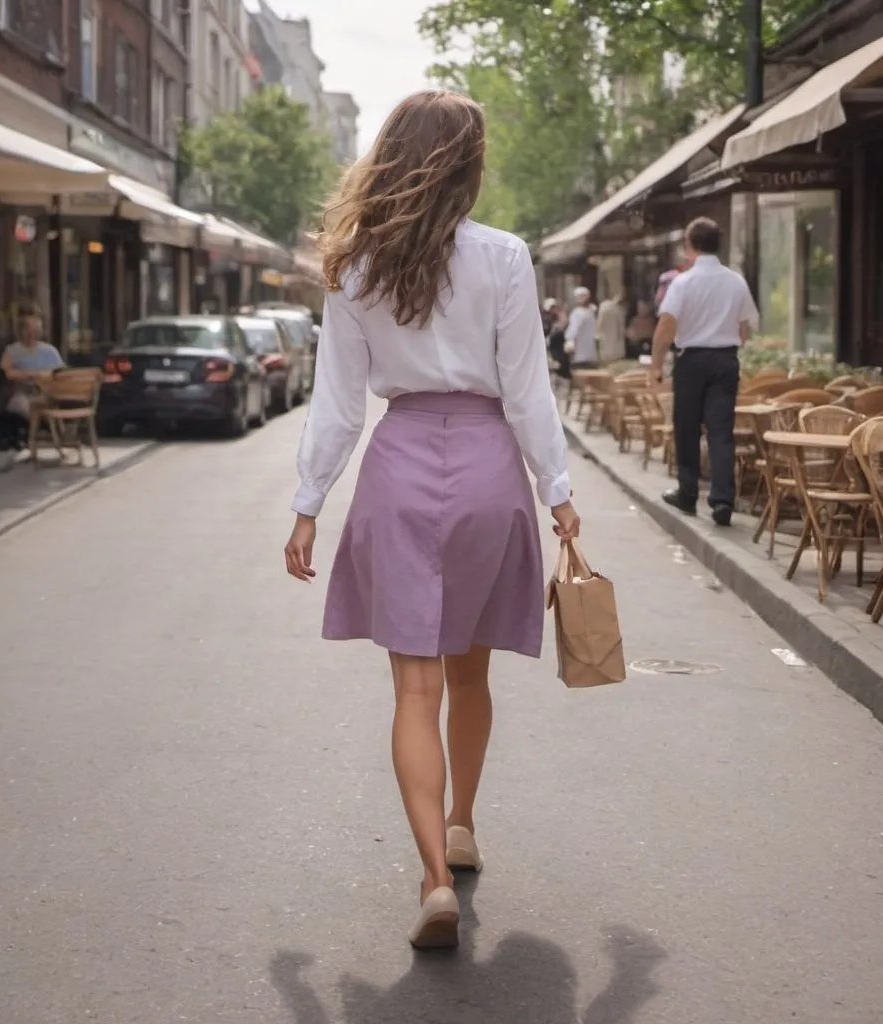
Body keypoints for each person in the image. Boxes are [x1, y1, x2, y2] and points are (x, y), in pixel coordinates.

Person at [283, 90, 580, 951]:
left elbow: (335, 403)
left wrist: (308, 505)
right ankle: (462, 823)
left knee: (412, 687)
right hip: (489, 469)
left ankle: (433, 879)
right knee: (469, 676)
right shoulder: (505, 257)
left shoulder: (355, 265)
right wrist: (557, 491)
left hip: (400, 467)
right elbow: (528, 389)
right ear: (468, 164)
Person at [650, 217, 758, 527]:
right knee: (721, 431)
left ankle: (687, 492)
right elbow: (745, 327)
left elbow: (666, 326)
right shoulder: (735, 281)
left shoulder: (683, 282)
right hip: (725, 360)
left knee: (687, 427)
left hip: (692, 359)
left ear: (689, 245)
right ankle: (723, 499)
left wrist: (656, 365)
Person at [0, 303, 64, 445]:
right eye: (27, 330)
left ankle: (36, 431)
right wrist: (32, 375)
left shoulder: (49, 351)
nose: (30, 334)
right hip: (22, 390)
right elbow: (7, 372)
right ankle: (22, 434)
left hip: (46, 392)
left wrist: (44, 378)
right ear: (20, 331)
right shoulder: (13, 350)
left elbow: (60, 373)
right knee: (18, 403)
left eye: (34, 330)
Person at [564, 287, 598, 368]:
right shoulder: (591, 312)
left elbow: (573, 331)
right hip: (591, 353)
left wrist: (568, 339)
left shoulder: (577, 313)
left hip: (579, 354)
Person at [595, 290, 627, 366]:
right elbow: (601, 320)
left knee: (610, 358)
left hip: (613, 339)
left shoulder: (619, 309)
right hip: (610, 338)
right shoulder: (607, 306)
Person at [544, 297, 570, 382]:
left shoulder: (561, 321)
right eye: (552, 308)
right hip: (551, 355)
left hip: (560, 355)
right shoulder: (546, 322)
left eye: (555, 308)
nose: (554, 311)